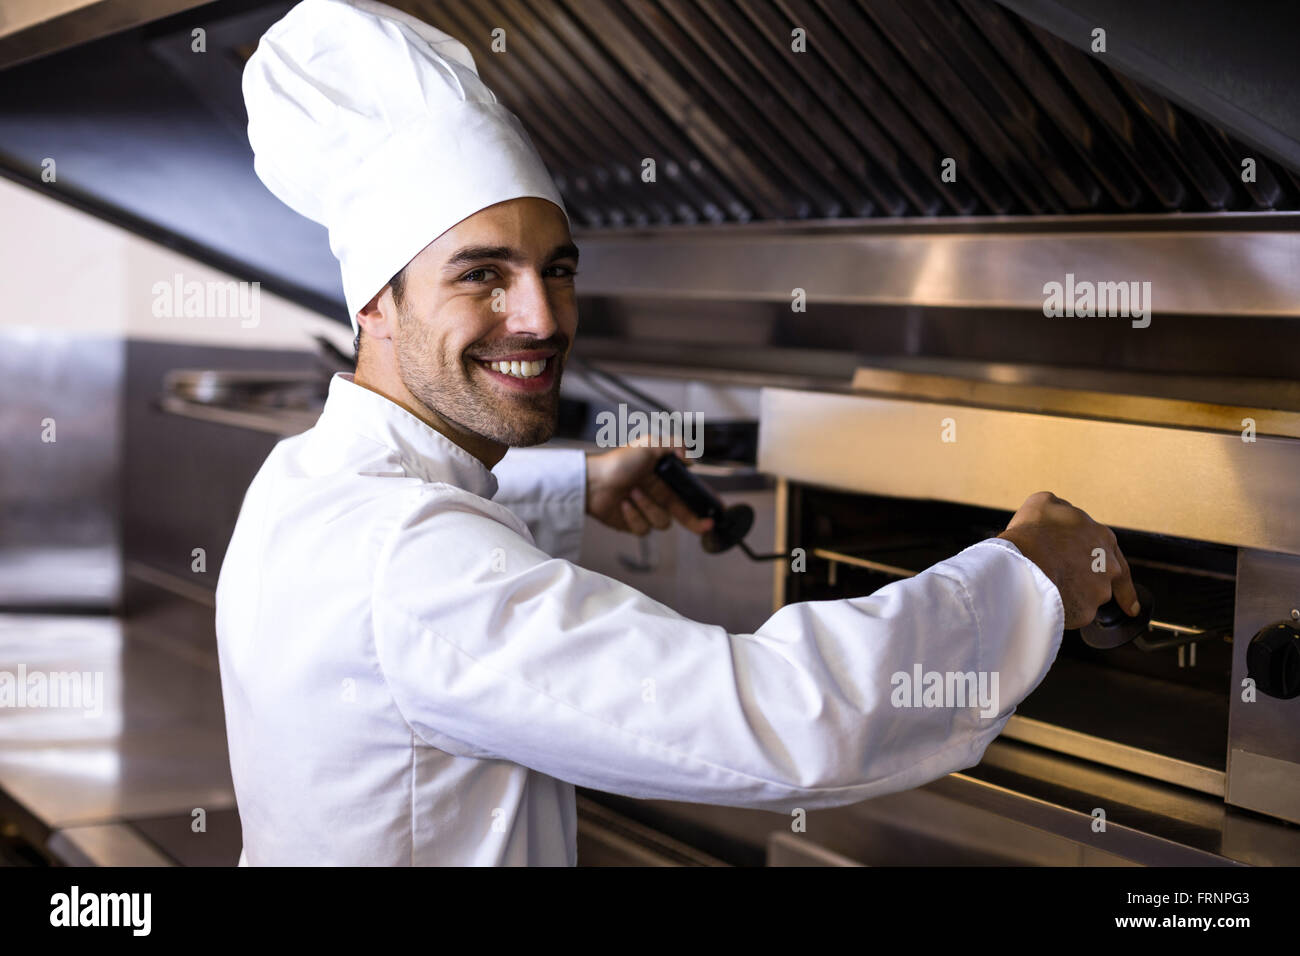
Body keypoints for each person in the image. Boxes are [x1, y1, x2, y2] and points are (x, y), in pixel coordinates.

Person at [217, 0, 1139, 865]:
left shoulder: (301, 482)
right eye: (481, 275)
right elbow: (787, 722)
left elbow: (418, 551)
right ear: (379, 301)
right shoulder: (419, 571)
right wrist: (1024, 573)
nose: (539, 317)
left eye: (558, 267)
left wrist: (578, 484)